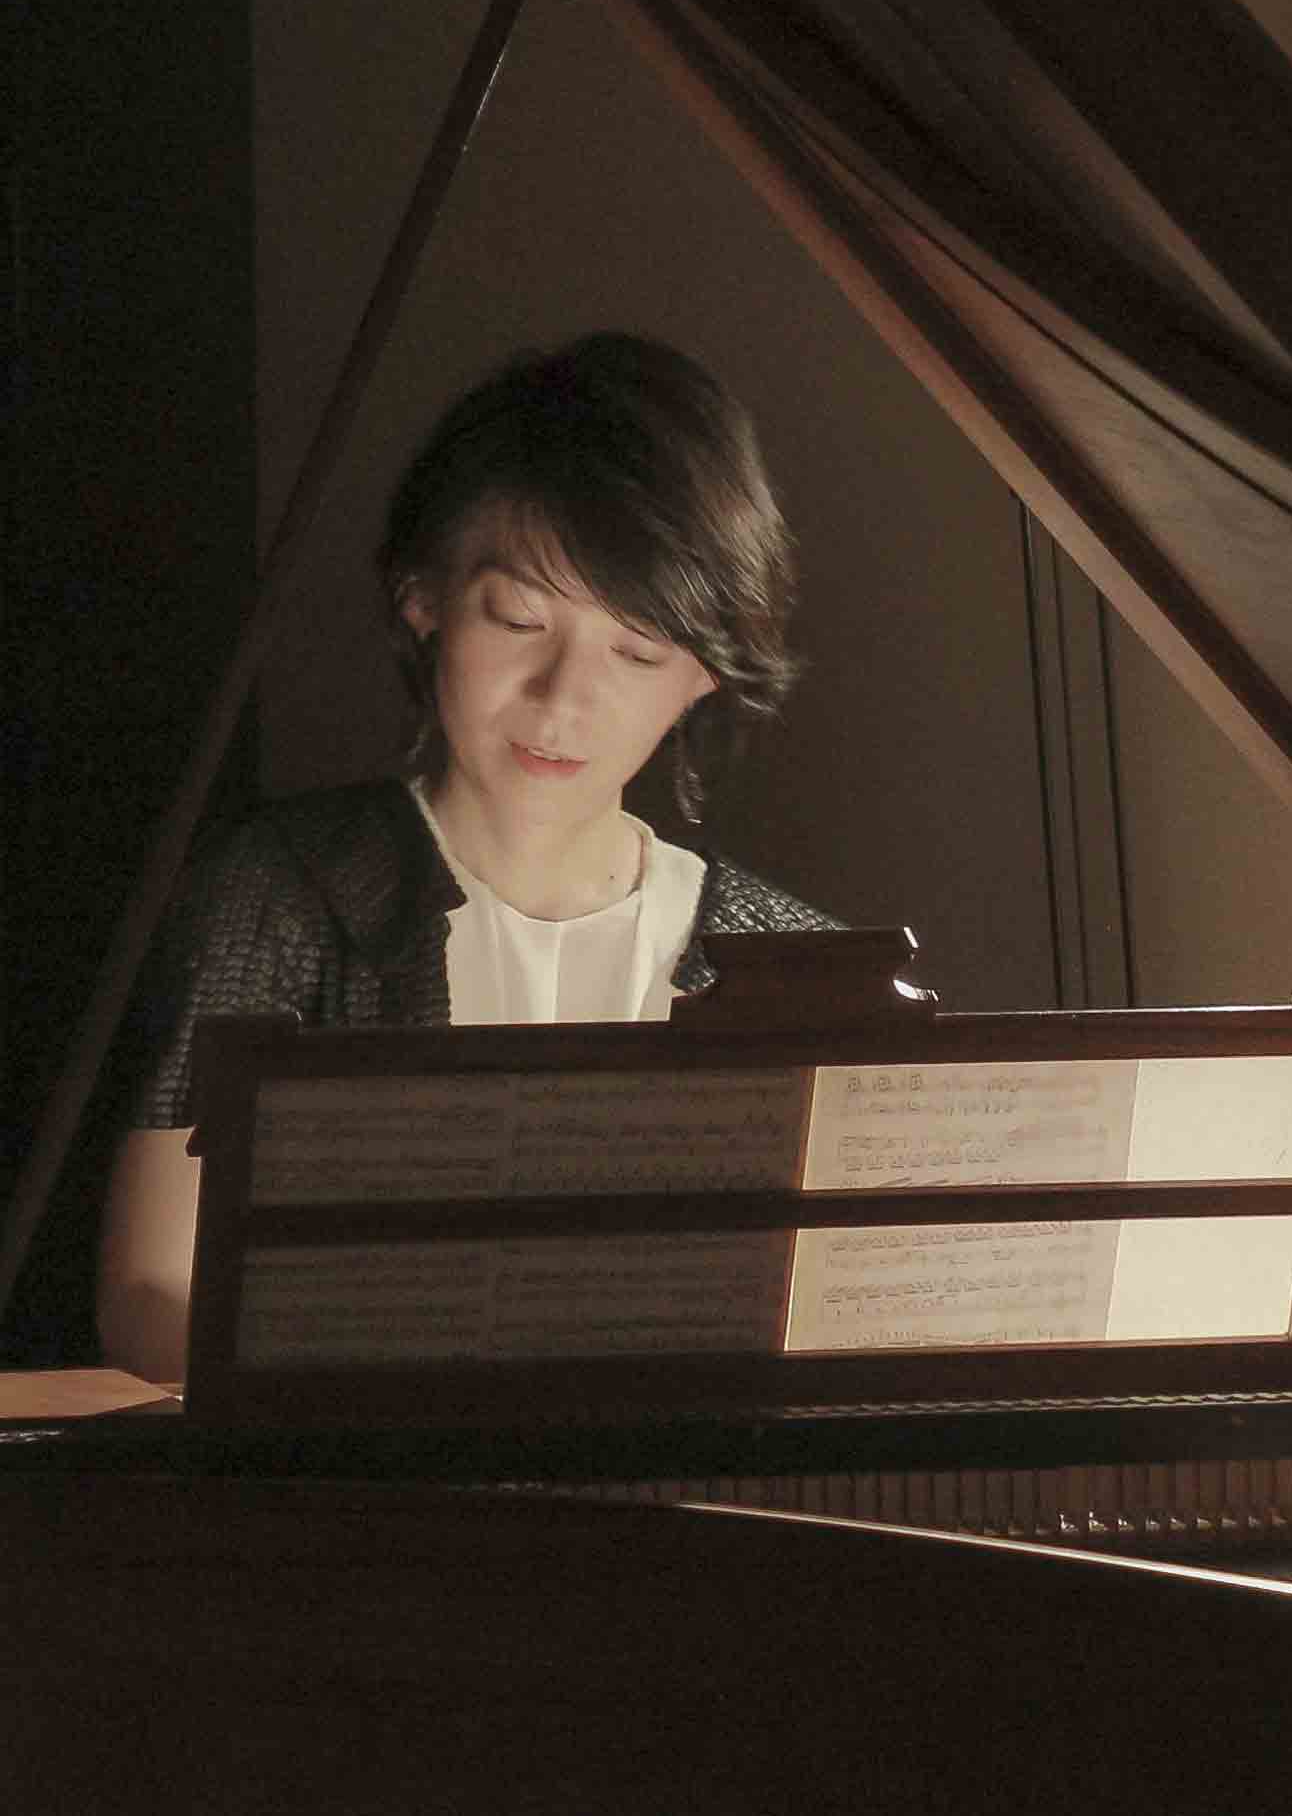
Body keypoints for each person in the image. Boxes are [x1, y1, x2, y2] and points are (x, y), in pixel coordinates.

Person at [97, 331, 838, 1379]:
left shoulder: (792, 957)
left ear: (708, 673)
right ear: (425, 598)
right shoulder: (278, 894)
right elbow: (150, 1290)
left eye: (636, 651)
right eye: (520, 619)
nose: (564, 697)